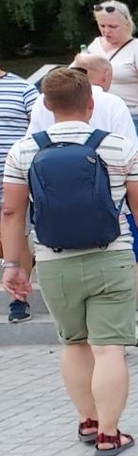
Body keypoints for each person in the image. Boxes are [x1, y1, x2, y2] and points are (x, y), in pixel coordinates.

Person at [2, 67, 138, 456]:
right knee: (109, 347)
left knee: (74, 343)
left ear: (47, 105)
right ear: (91, 103)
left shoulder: (23, 151)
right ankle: (110, 434)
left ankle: (87, 419)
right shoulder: (118, 147)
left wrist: (13, 264)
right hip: (111, 256)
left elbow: (12, 213)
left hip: (54, 260)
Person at [81, 1, 138, 141]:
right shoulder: (94, 46)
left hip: (131, 114)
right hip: (98, 114)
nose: (106, 31)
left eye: (112, 26)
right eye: (102, 26)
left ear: (127, 24)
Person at [1, 67, 38, 321]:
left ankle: (19, 300)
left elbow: (40, 127)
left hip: (15, 176)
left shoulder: (23, 89)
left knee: (17, 233)